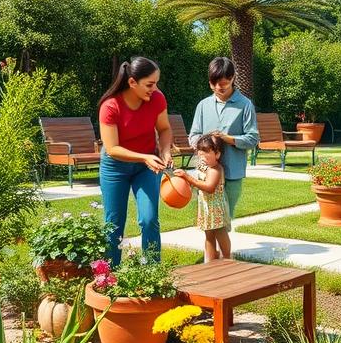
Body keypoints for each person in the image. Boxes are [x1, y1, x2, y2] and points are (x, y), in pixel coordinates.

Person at [97, 56, 173, 265]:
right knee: (113, 224)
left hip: (145, 168)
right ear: (132, 82)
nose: (154, 88)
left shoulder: (157, 99)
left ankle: (152, 273)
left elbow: (164, 129)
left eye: (156, 83)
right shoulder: (110, 106)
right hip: (115, 168)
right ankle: (109, 276)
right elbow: (112, 149)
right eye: (149, 84)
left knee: (149, 220)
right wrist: (145, 157)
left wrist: (165, 152)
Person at [188, 57, 259, 239]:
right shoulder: (203, 105)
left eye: (224, 84)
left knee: (224, 222)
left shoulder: (245, 105)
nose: (219, 88)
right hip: (206, 173)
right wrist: (206, 142)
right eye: (214, 84)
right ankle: (212, 261)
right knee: (208, 223)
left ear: (233, 78)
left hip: (233, 173)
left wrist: (229, 139)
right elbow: (193, 136)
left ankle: (224, 262)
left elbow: (253, 138)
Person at [174, 134, 231, 261]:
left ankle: (227, 257)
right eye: (200, 153)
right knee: (208, 235)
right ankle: (210, 262)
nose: (202, 157)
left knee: (220, 232)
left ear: (217, 155)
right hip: (206, 207)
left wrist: (187, 177)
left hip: (216, 208)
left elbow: (209, 188)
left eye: (207, 153)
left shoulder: (215, 170)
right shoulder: (205, 168)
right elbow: (198, 181)